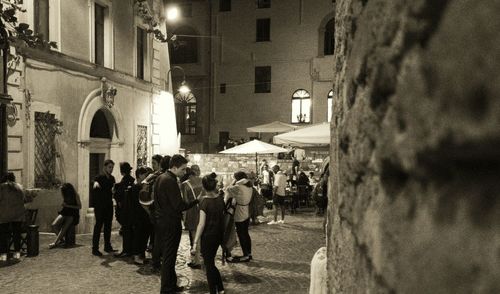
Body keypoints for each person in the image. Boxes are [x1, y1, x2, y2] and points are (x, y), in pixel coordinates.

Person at [153, 154, 199, 294]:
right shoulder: (170, 181)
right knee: (169, 256)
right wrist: (196, 201)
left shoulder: (161, 177)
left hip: (162, 222)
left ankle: (171, 285)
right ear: (174, 167)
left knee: (168, 255)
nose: (185, 172)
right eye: (183, 169)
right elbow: (178, 205)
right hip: (170, 223)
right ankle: (167, 288)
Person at [192, 173, 225, 294]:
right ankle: (220, 288)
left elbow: (201, 224)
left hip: (208, 236)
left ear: (203, 186)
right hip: (218, 235)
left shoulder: (204, 202)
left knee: (209, 265)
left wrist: (195, 242)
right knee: (210, 263)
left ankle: (213, 291)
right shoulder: (220, 199)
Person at [121, 166, 153, 264]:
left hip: (144, 217)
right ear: (139, 175)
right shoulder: (135, 188)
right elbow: (137, 204)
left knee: (144, 236)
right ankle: (136, 256)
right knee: (138, 236)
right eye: (145, 175)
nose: (146, 177)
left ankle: (141, 254)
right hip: (137, 217)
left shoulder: (142, 187)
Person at [225, 171, 253, 262]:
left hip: (240, 211)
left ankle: (245, 255)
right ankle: (248, 253)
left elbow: (227, 189)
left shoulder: (238, 187)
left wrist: (232, 182)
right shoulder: (249, 185)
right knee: (245, 233)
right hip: (246, 210)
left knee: (241, 234)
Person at [91, 159, 117, 256]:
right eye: (110, 167)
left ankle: (107, 246)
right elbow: (93, 181)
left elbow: (113, 190)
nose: (111, 169)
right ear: (105, 167)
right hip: (100, 206)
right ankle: (95, 248)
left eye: (112, 168)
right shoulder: (99, 177)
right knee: (98, 226)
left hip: (108, 205)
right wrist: (95, 183)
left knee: (108, 227)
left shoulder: (112, 178)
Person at [181, 165, 202, 269]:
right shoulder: (203, 181)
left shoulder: (185, 184)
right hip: (204, 210)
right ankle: (205, 258)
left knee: (195, 237)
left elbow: (185, 201)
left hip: (192, 211)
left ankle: (197, 261)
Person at [0, 173, 25, 263]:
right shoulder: (19, 187)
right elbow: (24, 199)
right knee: (16, 234)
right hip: (18, 214)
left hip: (4, 214)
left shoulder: (2, 187)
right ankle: (17, 253)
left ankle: (3, 255)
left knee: (3, 234)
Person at [49, 183, 81, 249]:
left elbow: (79, 207)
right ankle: (62, 240)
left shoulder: (76, 195)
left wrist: (67, 205)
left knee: (64, 227)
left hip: (73, 213)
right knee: (53, 225)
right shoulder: (65, 195)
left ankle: (55, 242)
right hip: (65, 211)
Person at [114, 162, 135, 257]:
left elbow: (118, 195)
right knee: (128, 230)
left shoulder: (124, 182)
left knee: (126, 230)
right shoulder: (131, 180)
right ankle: (129, 249)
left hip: (125, 210)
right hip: (130, 209)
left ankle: (126, 250)